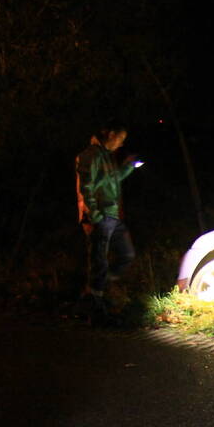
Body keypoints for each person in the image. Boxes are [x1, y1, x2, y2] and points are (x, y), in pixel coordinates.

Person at [75, 121, 140, 325]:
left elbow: (112, 179)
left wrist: (129, 166)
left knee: (126, 254)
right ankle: (95, 308)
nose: (121, 144)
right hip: (100, 216)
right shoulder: (90, 156)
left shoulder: (106, 156)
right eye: (120, 139)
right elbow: (86, 187)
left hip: (113, 216)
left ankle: (98, 291)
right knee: (99, 262)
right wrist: (94, 215)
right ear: (111, 135)